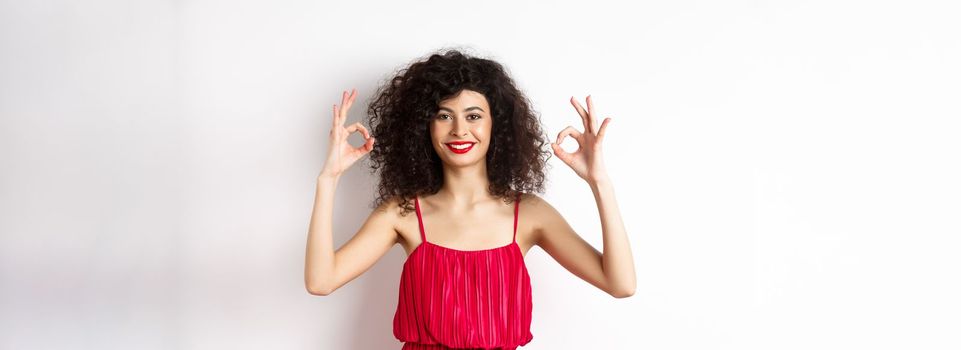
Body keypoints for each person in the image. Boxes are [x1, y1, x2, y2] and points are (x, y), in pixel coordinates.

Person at [304, 49, 636, 349]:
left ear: (497, 125)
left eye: (474, 116)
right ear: (424, 126)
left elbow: (620, 284)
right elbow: (321, 281)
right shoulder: (402, 213)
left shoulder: (530, 214)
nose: (459, 130)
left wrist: (599, 182)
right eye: (443, 115)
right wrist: (328, 179)